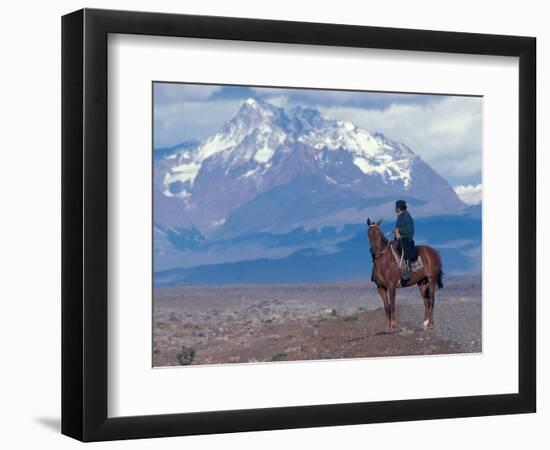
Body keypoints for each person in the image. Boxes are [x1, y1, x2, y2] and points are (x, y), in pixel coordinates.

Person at [392, 199, 416, 282]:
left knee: (405, 251)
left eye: (396, 207)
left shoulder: (406, 215)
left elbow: (410, 229)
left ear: (399, 208)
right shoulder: (400, 215)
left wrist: (398, 230)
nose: (395, 208)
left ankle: (407, 269)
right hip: (399, 239)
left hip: (406, 239)